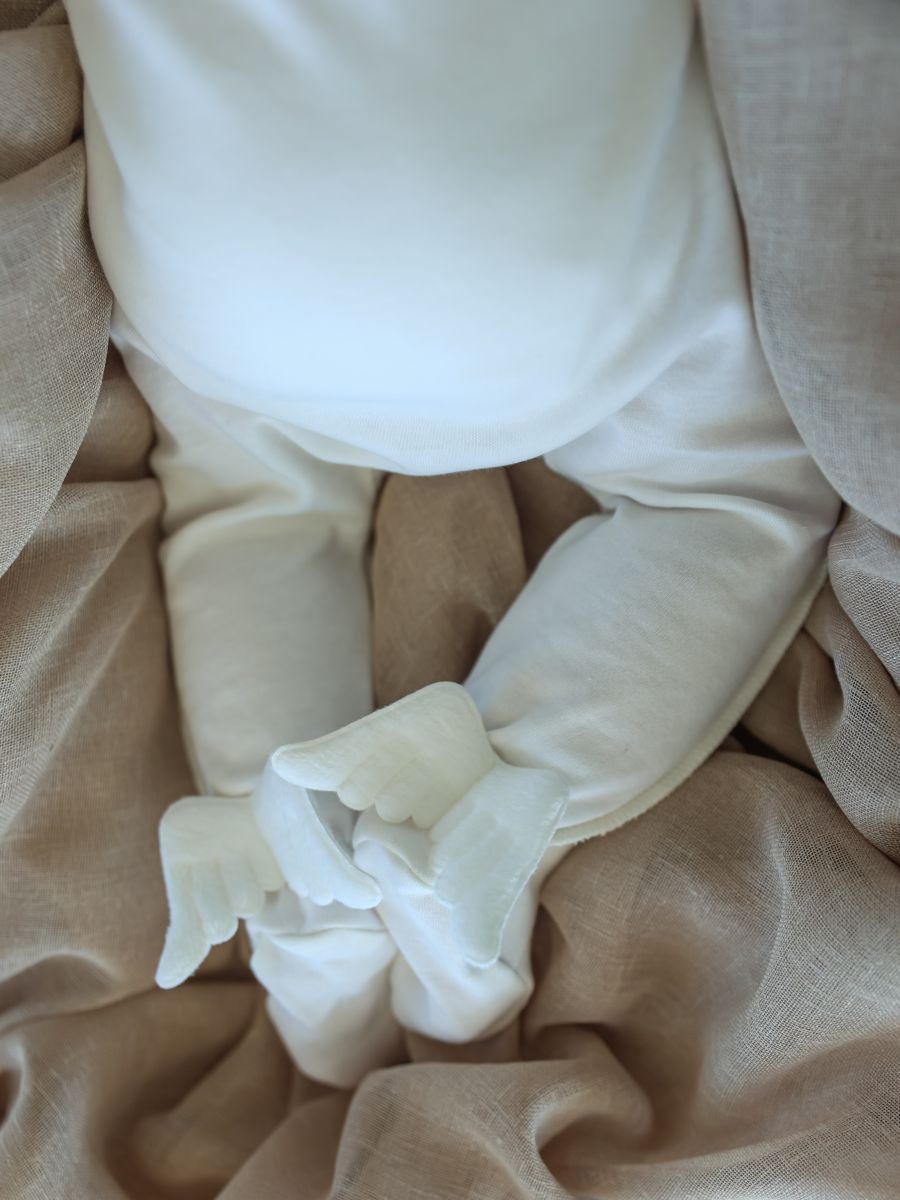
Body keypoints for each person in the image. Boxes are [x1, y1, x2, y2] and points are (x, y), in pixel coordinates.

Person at [64, 0, 840, 1085]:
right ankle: (497, 781)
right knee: (720, 500)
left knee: (254, 512)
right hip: (535, 276)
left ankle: (281, 864)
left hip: (217, 278)